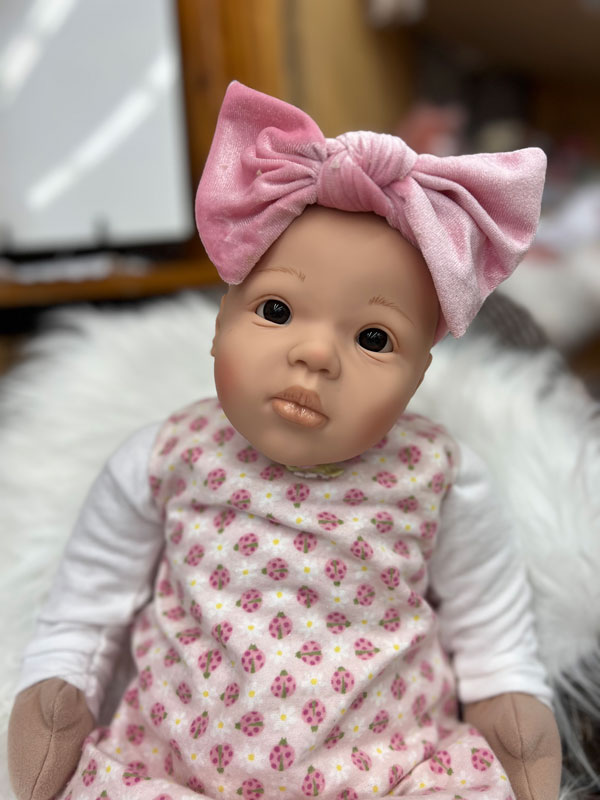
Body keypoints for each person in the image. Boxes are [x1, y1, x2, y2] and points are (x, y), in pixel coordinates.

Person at [8, 82, 561, 800]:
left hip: (393, 774)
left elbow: (492, 635)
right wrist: (59, 693)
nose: (316, 356)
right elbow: (86, 609)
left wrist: (511, 713)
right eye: (275, 309)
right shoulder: (166, 456)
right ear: (220, 322)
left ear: (419, 376)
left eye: (374, 339)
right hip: (173, 773)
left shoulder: (444, 476)